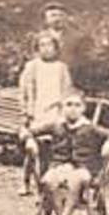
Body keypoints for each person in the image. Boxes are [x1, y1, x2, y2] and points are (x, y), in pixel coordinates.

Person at [24, 91, 109, 215]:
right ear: (62, 108)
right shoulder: (56, 125)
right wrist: (28, 140)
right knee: (49, 180)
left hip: (83, 169)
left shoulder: (90, 127)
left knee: (75, 179)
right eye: (68, 105)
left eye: (77, 105)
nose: (72, 109)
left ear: (83, 109)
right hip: (59, 166)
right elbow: (25, 130)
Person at [17, 32, 74, 197]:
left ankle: (44, 183)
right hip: (37, 111)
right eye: (42, 45)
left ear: (56, 48)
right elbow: (24, 91)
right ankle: (25, 181)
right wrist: (26, 111)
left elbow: (67, 91)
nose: (46, 49)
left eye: (50, 45)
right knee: (32, 149)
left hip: (55, 112)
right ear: (37, 48)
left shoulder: (62, 68)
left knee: (49, 150)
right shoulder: (32, 66)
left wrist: (64, 111)